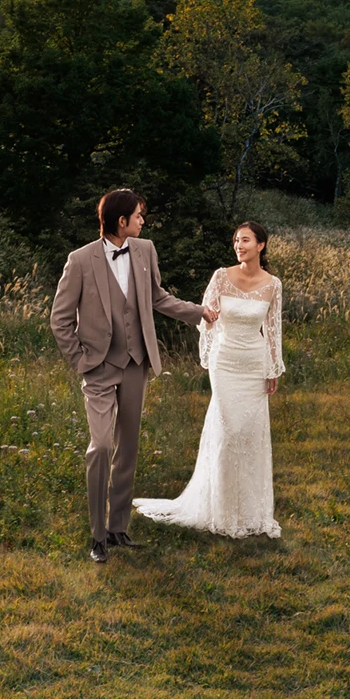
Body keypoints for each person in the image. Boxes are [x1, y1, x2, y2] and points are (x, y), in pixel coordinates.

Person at [49, 187, 216, 562]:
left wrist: (197, 311)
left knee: (127, 450)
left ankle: (118, 528)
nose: (143, 221)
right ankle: (96, 537)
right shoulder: (79, 261)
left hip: (136, 365)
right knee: (101, 447)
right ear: (121, 221)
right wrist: (81, 360)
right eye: (139, 216)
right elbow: (60, 320)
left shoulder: (145, 251)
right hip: (99, 368)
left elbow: (157, 297)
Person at [135, 220, 285, 539]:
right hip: (226, 361)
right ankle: (220, 509)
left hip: (254, 363)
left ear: (261, 245)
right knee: (229, 429)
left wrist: (273, 368)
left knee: (249, 433)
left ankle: (249, 510)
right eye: (235, 241)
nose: (239, 246)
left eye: (245, 240)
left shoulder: (273, 284)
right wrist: (210, 322)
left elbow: (273, 331)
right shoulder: (221, 276)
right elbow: (205, 317)